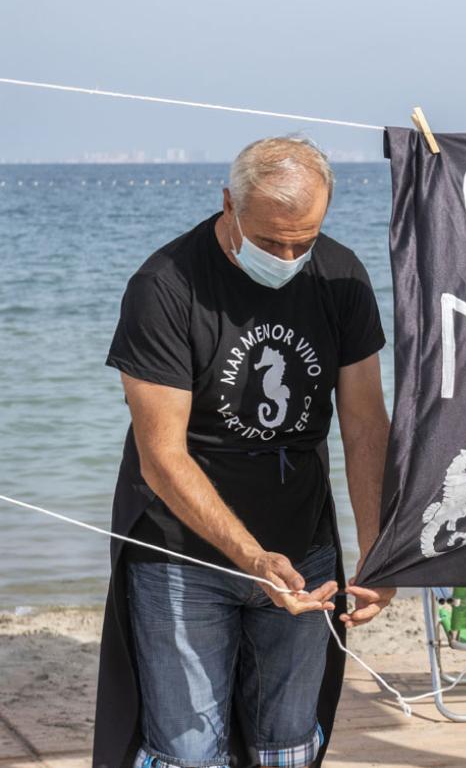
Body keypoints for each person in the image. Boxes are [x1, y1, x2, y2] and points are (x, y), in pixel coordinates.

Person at [91, 135, 396, 768]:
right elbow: (162, 457)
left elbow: (365, 423)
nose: (288, 256)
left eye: (303, 240)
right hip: (179, 551)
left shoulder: (340, 275)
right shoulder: (165, 286)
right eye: (271, 240)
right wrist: (253, 559)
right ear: (228, 203)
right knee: (186, 749)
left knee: (287, 739)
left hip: (303, 539)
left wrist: (379, 549)